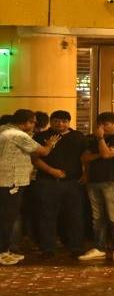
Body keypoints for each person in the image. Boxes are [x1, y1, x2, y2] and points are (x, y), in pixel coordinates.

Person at [0, 110, 58, 265]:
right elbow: (43, 151)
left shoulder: (4, 130)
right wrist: (50, 144)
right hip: (12, 180)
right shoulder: (18, 135)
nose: (34, 125)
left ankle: (6, 250)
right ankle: (3, 252)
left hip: (5, 180)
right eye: (32, 122)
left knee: (6, 216)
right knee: (7, 218)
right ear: (24, 122)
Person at [30, 110, 88, 259]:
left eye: (64, 121)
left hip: (72, 182)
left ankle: (76, 246)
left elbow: (85, 157)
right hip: (47, 182)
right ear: (51, 121)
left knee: (74, 215)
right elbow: (34, 158)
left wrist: (86, 173)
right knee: (46, 215)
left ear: (69, 122)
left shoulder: (78, 137)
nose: (60, 124)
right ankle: (47, 247)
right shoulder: (41, 136)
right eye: (56, 121)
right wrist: (51, 171)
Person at [83, 112, 114, 262]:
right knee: (97, 217)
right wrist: (99, 149)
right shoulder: (93, 138)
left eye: (106, 124)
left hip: (113, 182)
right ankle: (99, 247)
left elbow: (106, 155)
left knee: (113, 216)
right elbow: (84, 157)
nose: (102, 127)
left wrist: (101, 140)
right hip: (94, 181)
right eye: (100, 125)